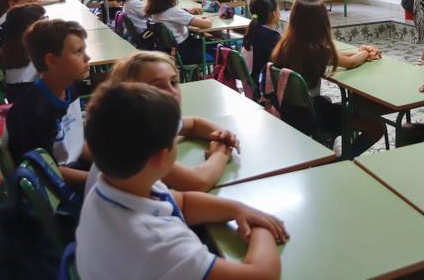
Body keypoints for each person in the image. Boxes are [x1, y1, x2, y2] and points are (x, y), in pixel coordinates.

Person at [76, 83, 286, 280]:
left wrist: (238, 209)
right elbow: (262, 275)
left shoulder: (115, 184)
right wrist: (262, 227)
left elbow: (183, 203)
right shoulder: (159, 244)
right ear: (161, 157)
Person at [82, 51, 240, 193]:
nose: (172, 92)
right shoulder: (136, 138)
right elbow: (198, 182)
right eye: (157, 86)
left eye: (173, 82)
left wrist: (220, 135)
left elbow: (194, 123)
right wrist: (221, 152)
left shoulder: (152, 118)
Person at [271, 0, 385, 155]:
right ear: (320, 22)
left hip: (290, 111)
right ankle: (344, 160)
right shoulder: (316, 50)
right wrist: (367, 52)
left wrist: (362, 52)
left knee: (331, 103)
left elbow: (339, 57)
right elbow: (351, 63)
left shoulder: (286, 44)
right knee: (376, 127)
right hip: (312, 116)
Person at [5, 19, 91, 186]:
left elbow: (75, 145)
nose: (87, 58)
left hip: (72, 170)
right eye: (78, 52)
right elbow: (43, 170)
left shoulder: (69, 88)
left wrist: (109, 164)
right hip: (55, 191)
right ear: (51, 60)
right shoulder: (33, 112)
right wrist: (99, 179)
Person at [146, 0, 211, 65]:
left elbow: (177, 16)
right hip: (186, 51)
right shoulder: (173, 11)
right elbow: (207, 24)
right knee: (219, 48)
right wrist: (208, 18)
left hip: (175, 50)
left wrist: (187, 12)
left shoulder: (156, 10)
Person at [0, 3, 46, 101]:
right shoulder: (32, 50)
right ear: (29, 27)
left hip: (18, 95)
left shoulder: (12, 46)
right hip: (29, 99)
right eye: (43, 20)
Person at [242, 0, 281, 90]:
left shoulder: (252, 31)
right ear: (273, 14)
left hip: (250, 85)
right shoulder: (272, 37)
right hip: (262, 88)